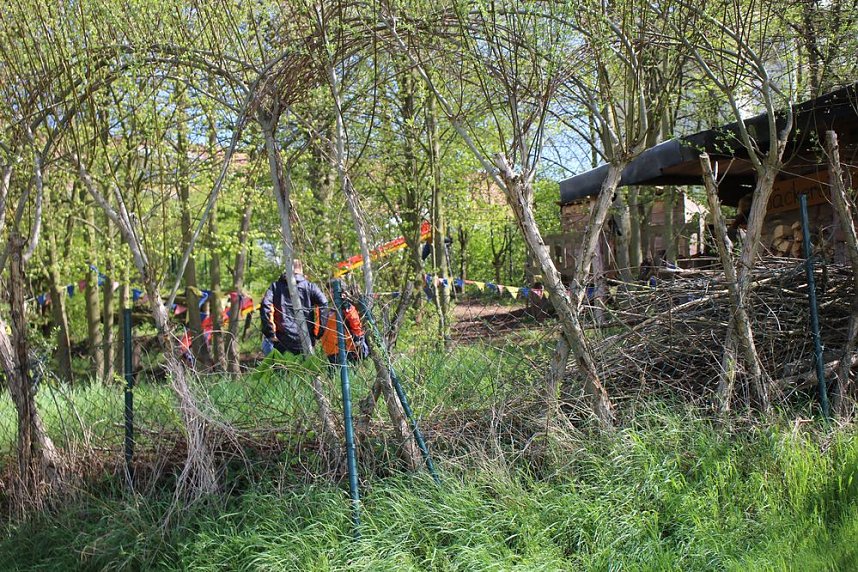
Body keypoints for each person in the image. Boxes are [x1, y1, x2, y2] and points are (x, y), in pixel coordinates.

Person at [261, 260, 327, 356]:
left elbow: (265, 305)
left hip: (282, 340)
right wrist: (318, 333)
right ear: (301, 269)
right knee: (305, 369)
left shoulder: (275, 287)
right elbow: (324, 304)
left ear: (287, 268)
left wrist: (270, 333)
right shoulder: (310, 287)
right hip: (306, 339)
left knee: (283, 369)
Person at [320, 287, 369, 365]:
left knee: (348, 373)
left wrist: (346, 306)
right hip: (331, 352)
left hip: (347, 350)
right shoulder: (329, 309)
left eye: (333, 292)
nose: (331, 294)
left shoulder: (347, 307)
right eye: (330, 292)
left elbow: (356, 325)